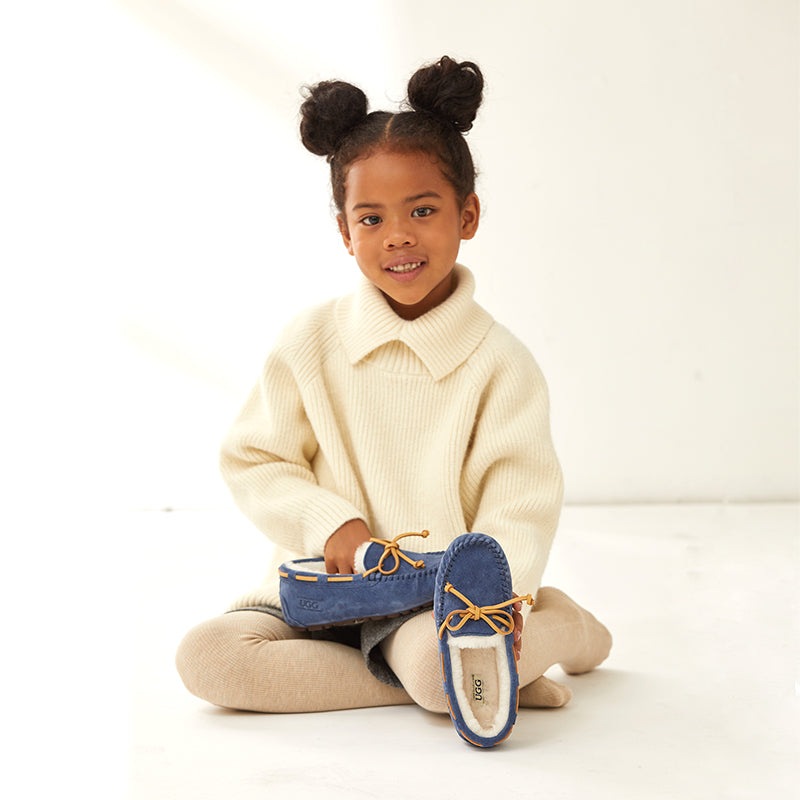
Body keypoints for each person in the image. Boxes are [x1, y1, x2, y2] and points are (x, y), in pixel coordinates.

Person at [176, 56, 611, 717]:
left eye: (423, 210)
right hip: (318, 591)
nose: (398, 236)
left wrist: (494, 601)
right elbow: (255, 459)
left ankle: (557, 628)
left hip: (434, 607)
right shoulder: (310, 341)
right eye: (372, 219)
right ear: (345, 232)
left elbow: (519, 504)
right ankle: (492, 679)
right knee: (208, 658)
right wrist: (330, 525)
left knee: (438, 676)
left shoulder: (501, 365)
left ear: (468, 215)